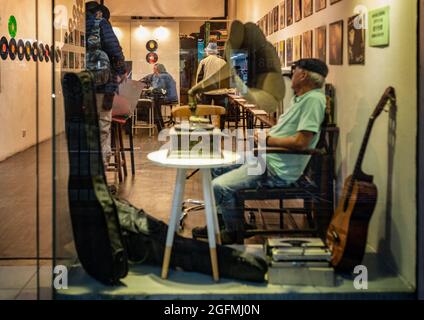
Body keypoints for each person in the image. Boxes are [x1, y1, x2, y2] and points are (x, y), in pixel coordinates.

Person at [192, 58, 328, 244]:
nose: (291, 74)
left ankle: (233, 232)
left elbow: (301, 142)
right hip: (267, 158)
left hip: (276, 169)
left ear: (303, 75)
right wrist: (266, 135)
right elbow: (289, 132)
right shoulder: (301, 98)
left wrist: (267, 139)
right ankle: (225, 222)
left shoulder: (313, 100)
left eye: (295, 70)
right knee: (216, 165)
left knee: (220, 186)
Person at [85, 1, 127, 168]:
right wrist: (122, 70)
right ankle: (100, 169)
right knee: (103, 124)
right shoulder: (101, 23)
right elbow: (114, 49)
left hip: (82, 86)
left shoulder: (75, 26)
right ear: (99, 13)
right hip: (103, 85)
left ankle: (86, 166)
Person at [141, 63, 178, 131]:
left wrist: (150, 89)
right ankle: (159, 124)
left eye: (155, 69)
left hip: (168, 98)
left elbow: (158, 88)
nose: (154, 70)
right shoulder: (166, 75)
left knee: (154, 103)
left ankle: (158, 124)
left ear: (159, 69)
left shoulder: (162, 76)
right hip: (171, 97)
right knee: (155, 102)